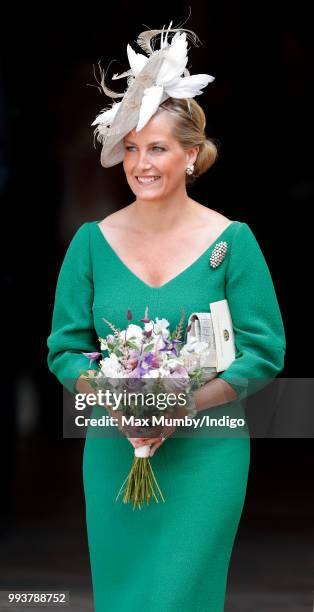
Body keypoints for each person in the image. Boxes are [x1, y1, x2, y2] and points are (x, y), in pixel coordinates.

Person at [47, 22, 286, 611]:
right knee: (124, 600)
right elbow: (64, 348)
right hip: (113, 450)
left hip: (208, 456)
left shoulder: (233, 241)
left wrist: (182, 404)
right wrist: (113, 397)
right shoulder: (91, 243)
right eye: (131, 148)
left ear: (192, 154)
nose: (140, 164)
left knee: (181, 597)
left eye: (156, 148)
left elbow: (264, 350)